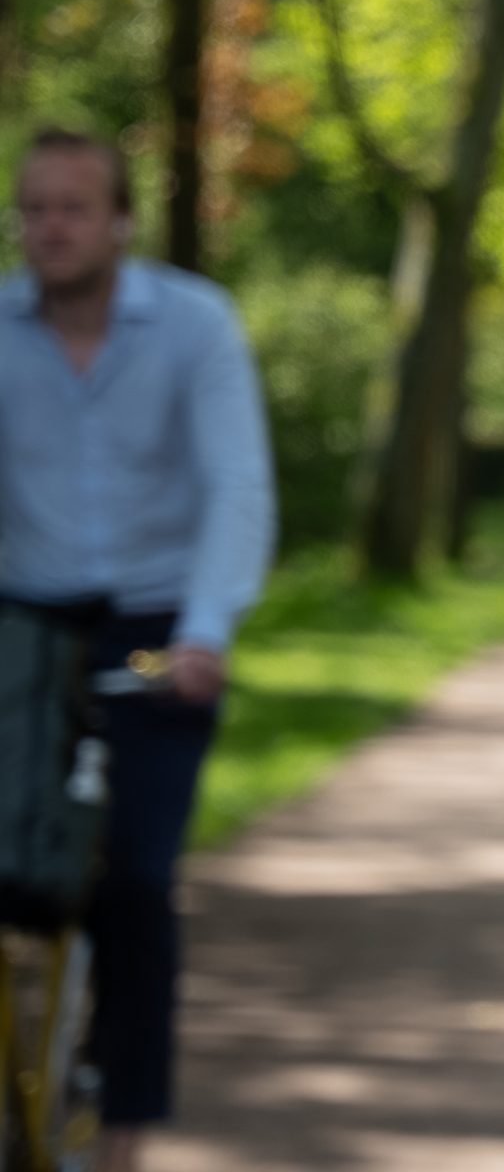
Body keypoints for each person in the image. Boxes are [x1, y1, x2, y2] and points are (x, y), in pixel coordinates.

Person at [1, 127, 276, 1172]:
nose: (51, 228)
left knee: (132, 882)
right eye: (34, 209)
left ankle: (121, 1131)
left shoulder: (195, 326)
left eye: (73, 208)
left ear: (121, 221)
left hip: (160, 636)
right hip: (26, 629)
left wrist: (206, 631)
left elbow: (236, 486)